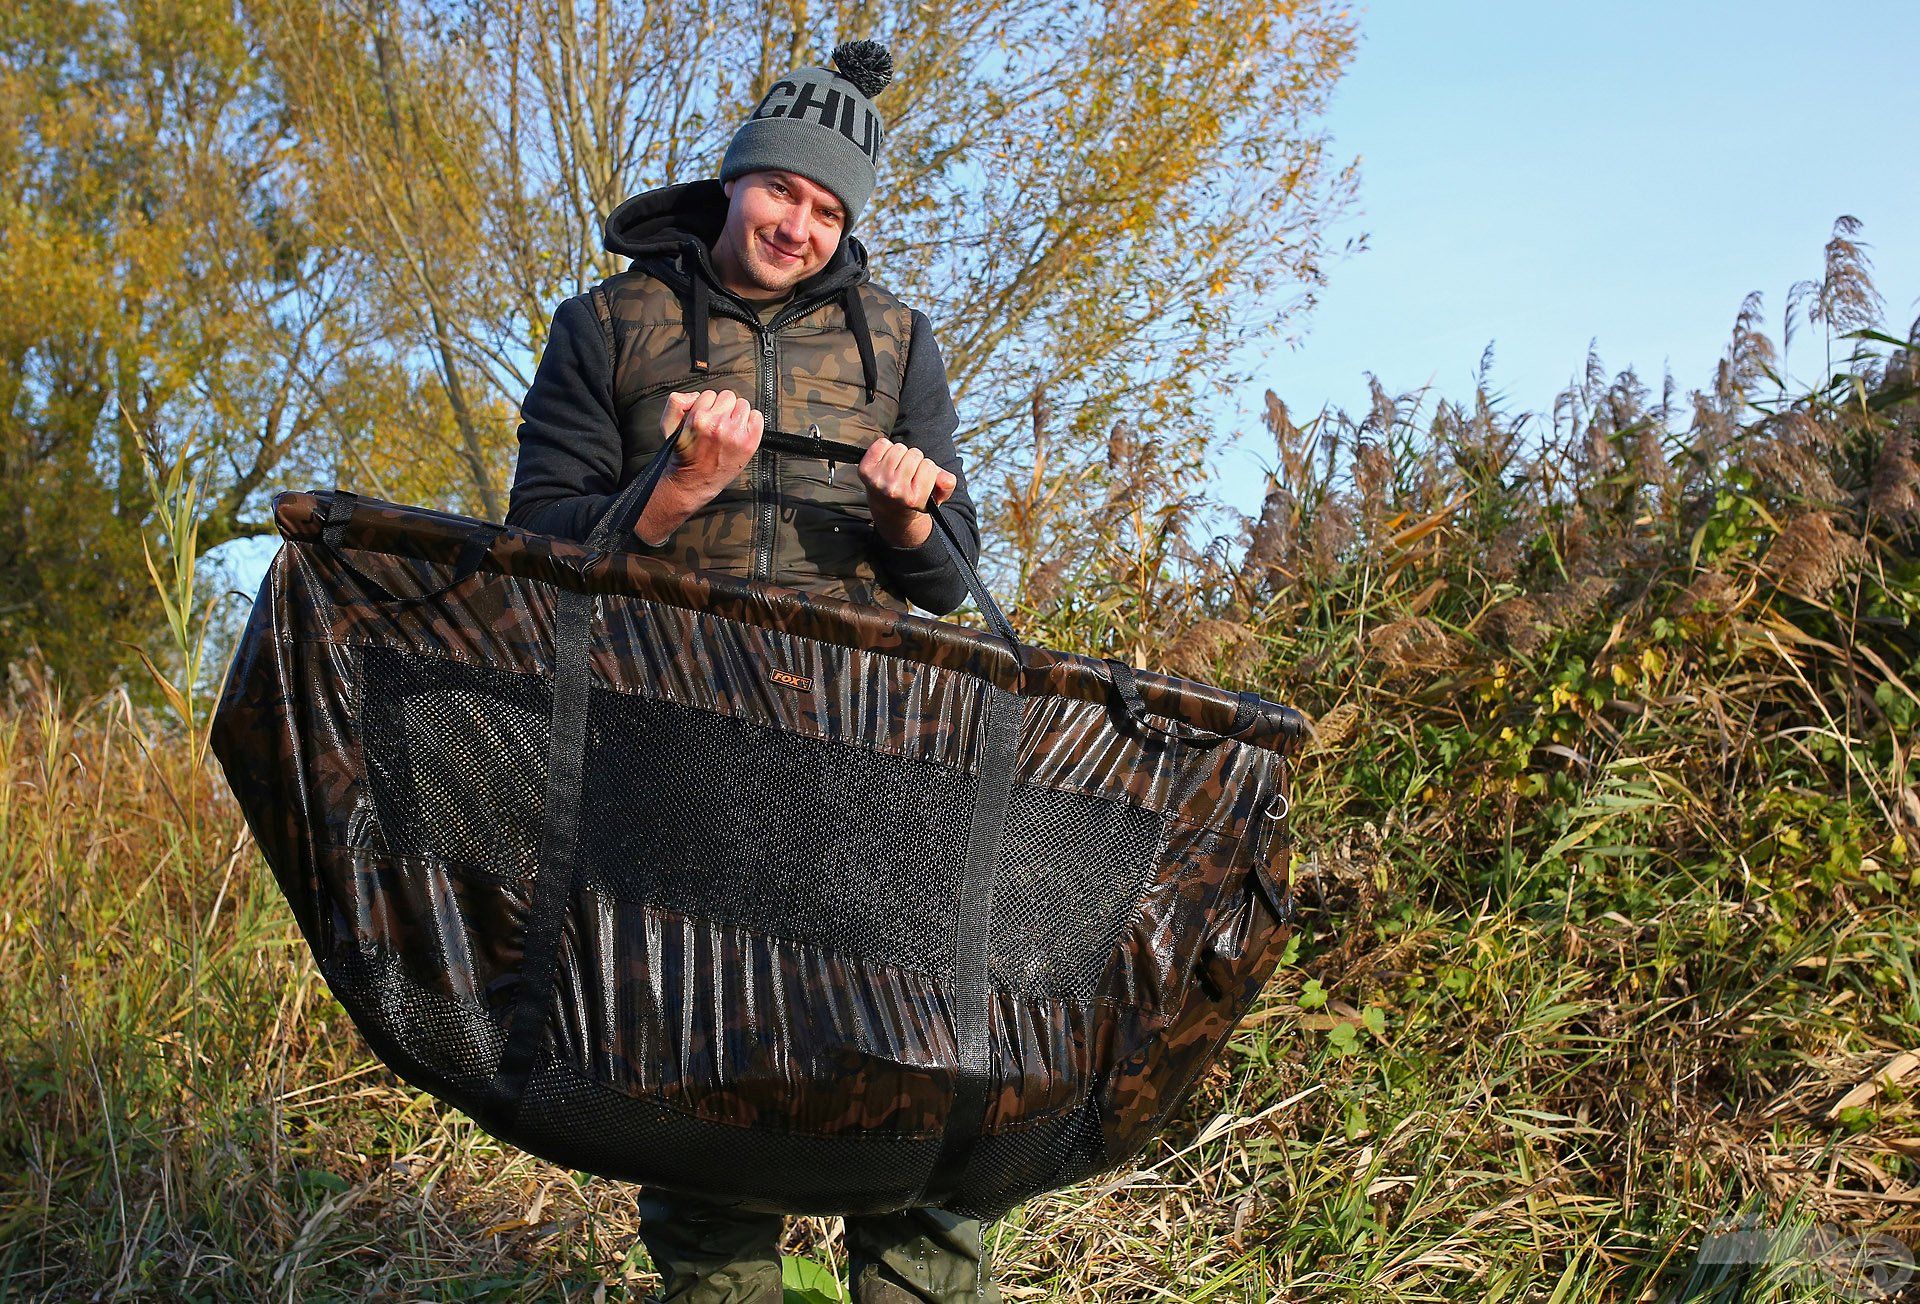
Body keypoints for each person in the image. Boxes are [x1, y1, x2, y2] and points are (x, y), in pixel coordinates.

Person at [504, 38, 1001, 1304]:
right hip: (674, 744)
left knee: (917, 1064)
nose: (800, 224)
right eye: (784, 191)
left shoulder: (898, 343)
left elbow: (953, 580)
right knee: (707, 1072)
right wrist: (671, 489)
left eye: (830, 209)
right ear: (735, 182)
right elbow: (535, 539)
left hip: (870, 755)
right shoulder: (607, 326)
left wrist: (905, 521)